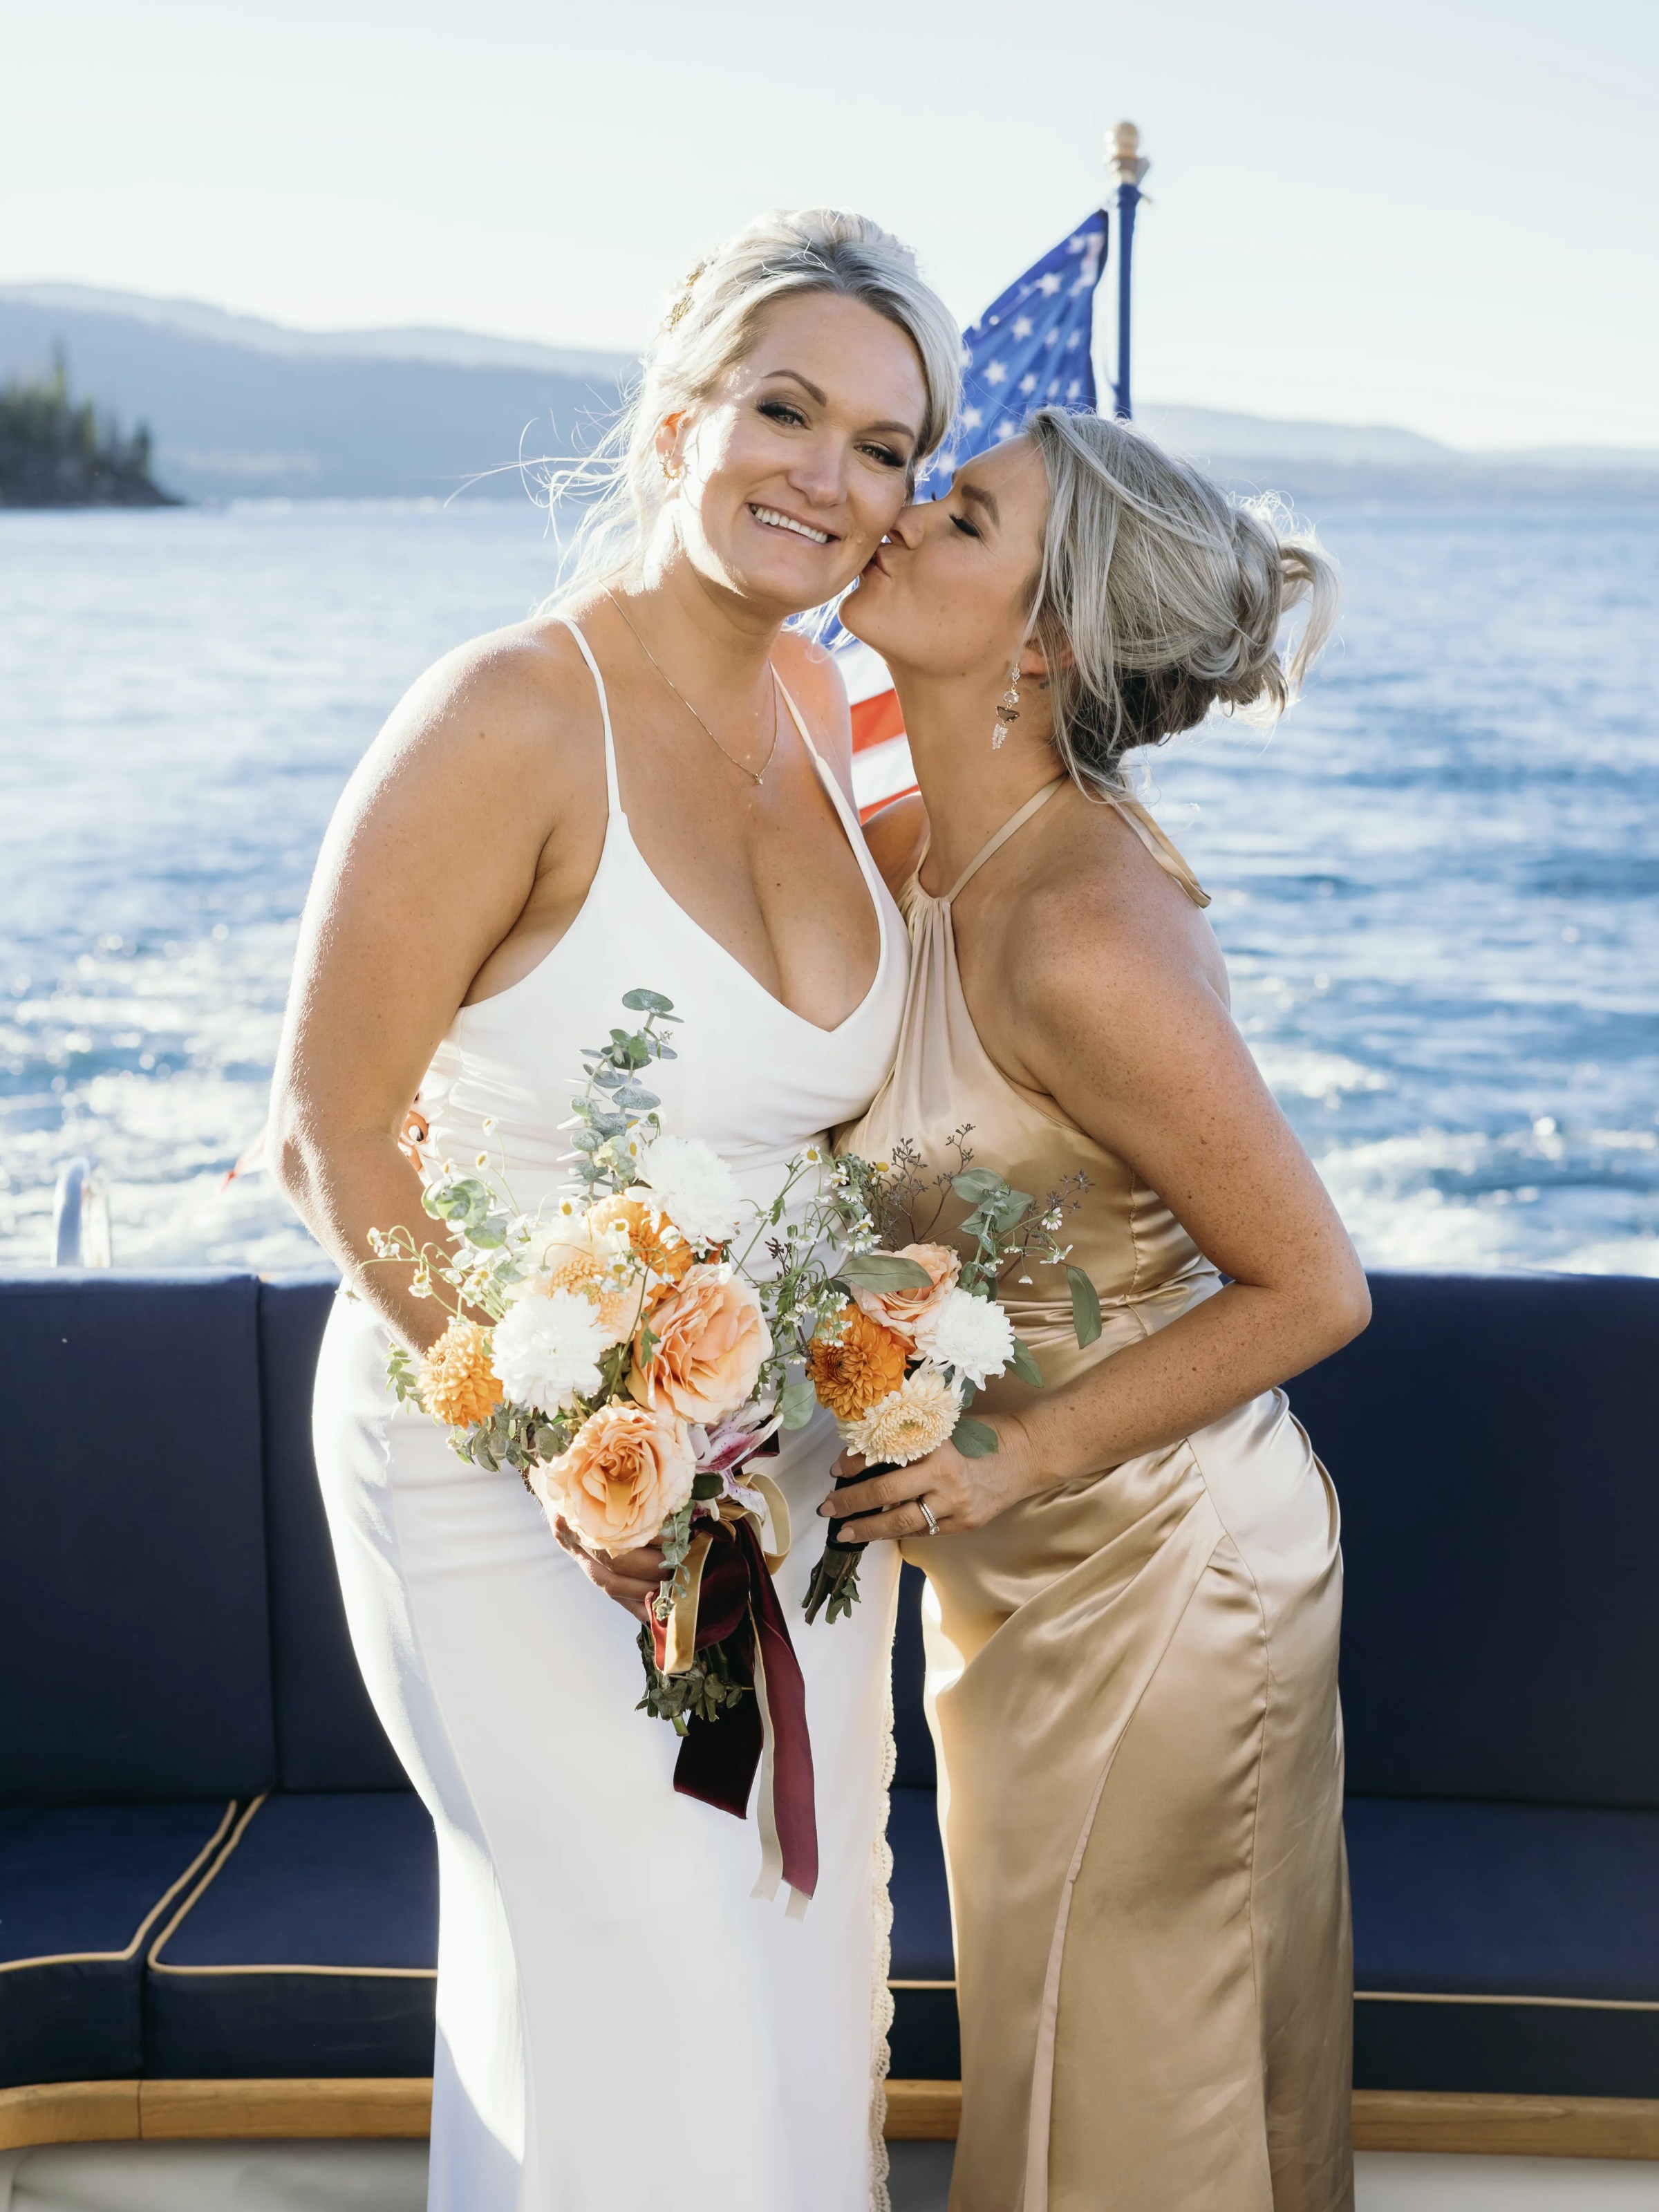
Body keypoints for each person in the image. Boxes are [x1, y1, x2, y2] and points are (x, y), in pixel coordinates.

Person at [271, 208, 960, 2212]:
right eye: (784, 408)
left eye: (888, 448)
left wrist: (895, 1355)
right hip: (498, 1470)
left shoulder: (834, 725)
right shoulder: (506, 712)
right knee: (648, 1966)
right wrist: (577, 1447)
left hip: (788, 1485)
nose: (826, 476)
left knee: (791, 1975)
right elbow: (329, 1126)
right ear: (679, 418)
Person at [832, 408, 1367, 2212]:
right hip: (1011, 1582)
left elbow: (1316, 1285)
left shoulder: (1079, 933)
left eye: (960, 514)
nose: (898, 514)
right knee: (1053, 2065)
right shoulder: (898, 838)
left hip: (1160, 1572)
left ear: (1045, 638)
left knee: (1148, 2099)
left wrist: (1017, 1458)